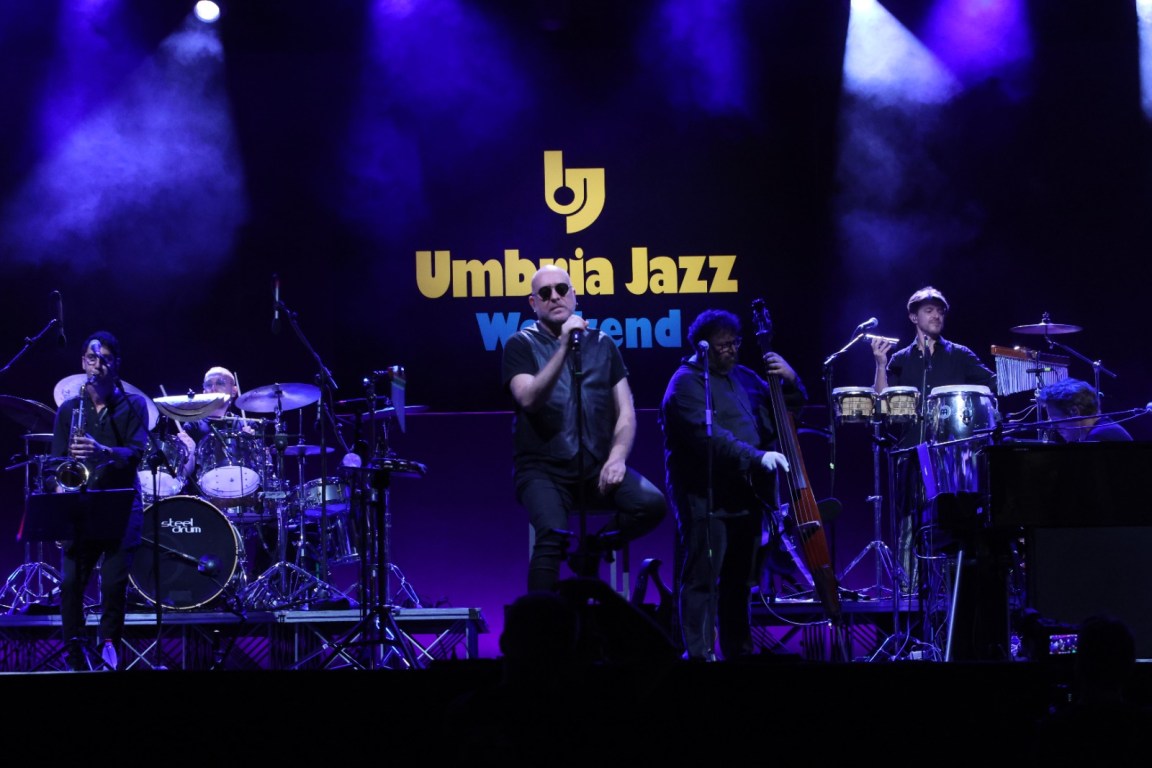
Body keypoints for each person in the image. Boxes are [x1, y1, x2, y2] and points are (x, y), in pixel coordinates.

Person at [502, 264, 667, 592]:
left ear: (574, 295)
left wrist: (617, 458)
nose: (555, 297)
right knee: (551, 536)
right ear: (533, 303)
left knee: (651, 504)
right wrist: (565, 346)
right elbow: (529, 398)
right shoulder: (520, 344)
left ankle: (594, 548)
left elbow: (626, 412)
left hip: (594, 468)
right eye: (545, 293)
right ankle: (540, 621)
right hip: (542, 471)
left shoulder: (603, 343)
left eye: (561, 289)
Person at [660, 309, 801, 661]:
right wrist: (757, 457)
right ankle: (700, 654)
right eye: (723, 345)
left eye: (735, 343)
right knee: (703, 579)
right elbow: (710, 438)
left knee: (740, 582)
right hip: (705, 497)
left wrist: (791, 381)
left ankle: (739, 653)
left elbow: (784, 415)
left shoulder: (745, 377)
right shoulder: (685, 384)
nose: (732, 350)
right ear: (702, 346)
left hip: (748, 495)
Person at [870, 286, 996, 593]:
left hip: (953, 455)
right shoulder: (900, 359)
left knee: (953, 522)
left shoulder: (960, 355)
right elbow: (883, 405)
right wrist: (880, 365)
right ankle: (909, 591)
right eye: (929, 310)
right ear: (914, 317)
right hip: (912, 452)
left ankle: (952, 591)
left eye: (940, 311)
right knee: (910, 523)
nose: (937, 315)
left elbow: (992, 387)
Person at [50, 331, 150, 671]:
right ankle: (75, 656)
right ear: (83, 362)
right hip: (80, 506)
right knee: (70, 584)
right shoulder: (69, 409)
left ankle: (108, 650)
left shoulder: (134, 405)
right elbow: (54, 463)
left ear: (116, 364)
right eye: (92, 358)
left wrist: (103, 451)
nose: (98, 365)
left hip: (121, 505)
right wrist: (59, 488)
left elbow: (135, 454)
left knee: (113, 584)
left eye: (105, 359)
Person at [1035, 377, 1133, 443]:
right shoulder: (1104, 427)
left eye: (1056, 421)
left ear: (1074, 412)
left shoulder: (1099, 437)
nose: (1053, 427)